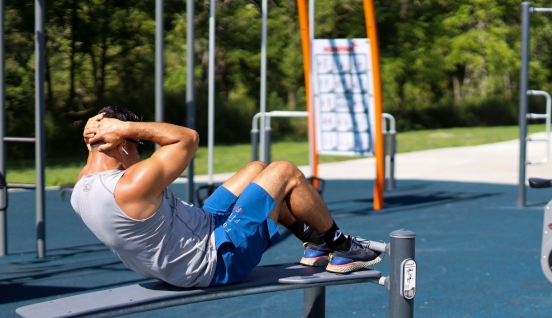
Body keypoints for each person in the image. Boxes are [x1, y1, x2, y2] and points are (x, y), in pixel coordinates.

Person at [71, 106, 382, 289]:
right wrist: (126, 127)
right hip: (216, 261)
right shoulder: (130, 185)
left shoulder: (81, 185)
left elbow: (96, 156)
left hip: (195, 236)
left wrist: (100, 132)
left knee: (257, 169)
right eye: (138, 146)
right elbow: (187, 138)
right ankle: (343, 247)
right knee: (284, 171)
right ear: (122, 144)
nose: (140, 153)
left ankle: (316, 243)